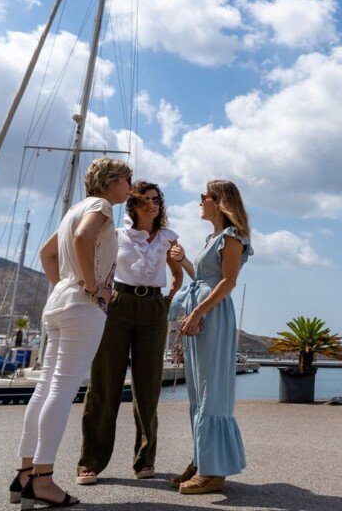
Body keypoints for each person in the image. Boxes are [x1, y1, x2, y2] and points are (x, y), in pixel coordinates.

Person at [11, 158, 132, 508]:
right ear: (111, 181)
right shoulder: (101, 206)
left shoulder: (73, 210)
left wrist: (67, 283)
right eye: (127, 179)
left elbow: (46, 253)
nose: (130, 185)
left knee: (46, 387)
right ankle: (43, 480)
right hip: (82, 305)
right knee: (62, 390)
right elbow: (84, 237)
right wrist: (92, 288)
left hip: (60, 301)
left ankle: (25, 473)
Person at [76, 181, 184, 485]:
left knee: (148, 386)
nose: (152, 205)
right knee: (104, 383)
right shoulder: (117, 234)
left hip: (153, 307)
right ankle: (91, 462)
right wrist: (98, 291)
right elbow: (97, 262)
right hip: (118, 304)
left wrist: (166, 302)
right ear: (133, 205)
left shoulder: (168, 238)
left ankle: (145, 460)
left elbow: (178, 276)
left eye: (156, 200)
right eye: (145, 200)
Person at [167, 179, 253, 495]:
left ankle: (214, 471)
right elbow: (203, 278)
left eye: (203, 196)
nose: (199, 201)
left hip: (211, 315)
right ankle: (202, 459)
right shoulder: (213, 237)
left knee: (211, 392)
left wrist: (198, 312)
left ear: (219, 201)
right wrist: (183, 260)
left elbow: (228, 282)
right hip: (201, 313)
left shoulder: (232, 236)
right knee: (197, 393)